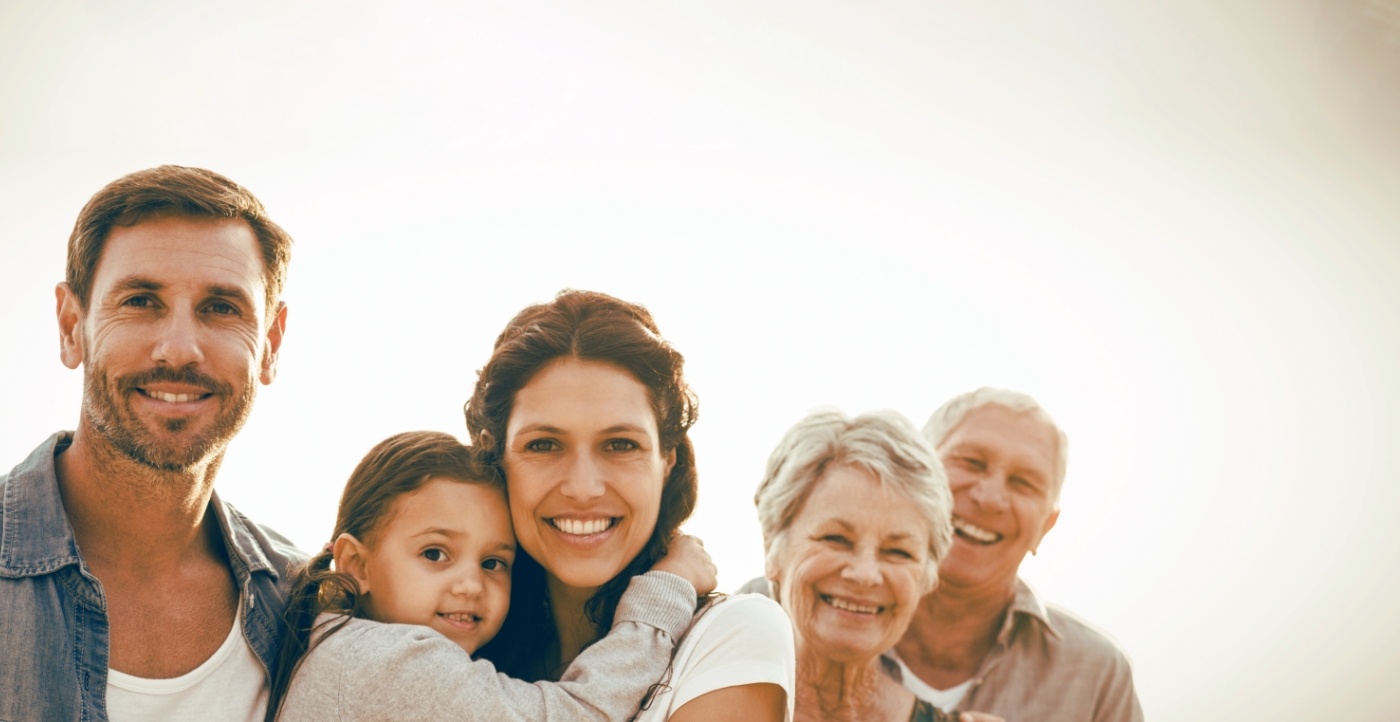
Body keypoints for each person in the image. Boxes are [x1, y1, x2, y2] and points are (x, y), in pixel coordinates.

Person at [0, 165, 303, 722]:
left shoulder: (305, 609)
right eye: (141, 301)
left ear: (270, 345)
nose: (180, 349)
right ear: (72, 327)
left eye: (221, 308)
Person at [464, 289, 797, 722]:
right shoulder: (445, 641)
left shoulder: (731, 635)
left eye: (620, 445)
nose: (583, 488)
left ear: (667, 460)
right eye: (544, 445)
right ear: (497, 460)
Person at [266, 430, 718, 721]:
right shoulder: (386, 662)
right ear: (356, 564)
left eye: (493, 563)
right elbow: (581, 714)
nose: (470, 584)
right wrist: (667, 587)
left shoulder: (336, 646)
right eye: (435, 553)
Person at [887, 388, 1144, 721]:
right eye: (971, 462)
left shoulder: (1098, 674)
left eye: (1024, 482)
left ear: (1046, 527)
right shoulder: (816, 630)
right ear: (915, 474)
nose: (990, 498)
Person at [751, 409, 1001, 722]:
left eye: (898, 552)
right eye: (836, 538)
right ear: (772, 546)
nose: (865, 574)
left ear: (926, 576)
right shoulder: (690, 695)